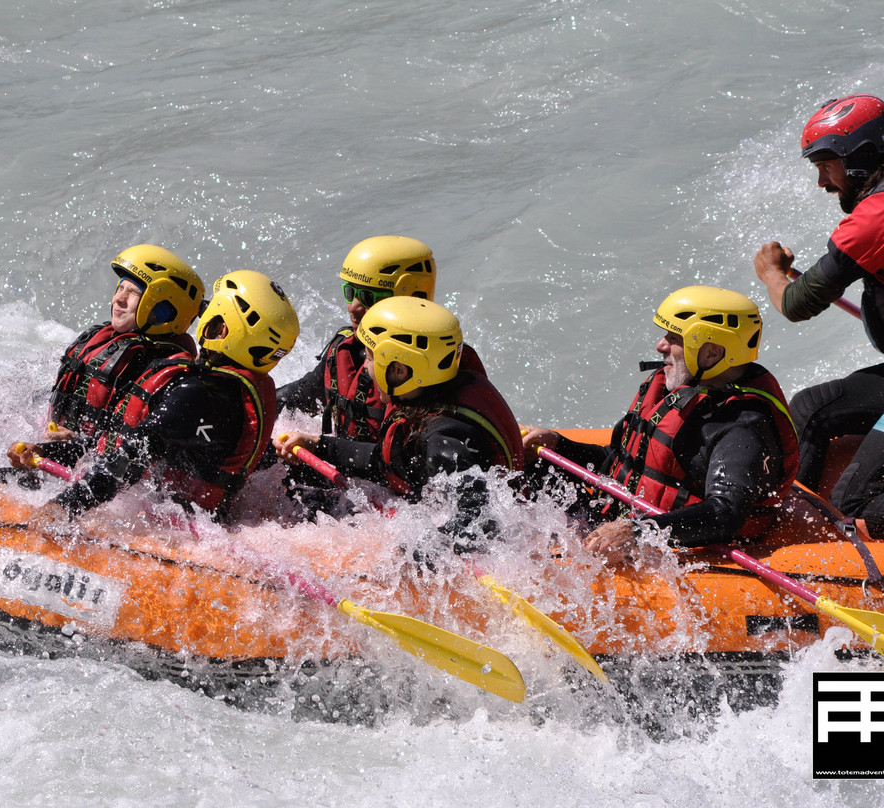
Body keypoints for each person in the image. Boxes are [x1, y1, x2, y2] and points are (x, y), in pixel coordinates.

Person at [521, 286, 799, 566]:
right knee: (528, 467)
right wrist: (560, 445)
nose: (660, 346)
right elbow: (623, 462)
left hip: (681, 545)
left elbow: (724, 514)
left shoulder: (742, 424)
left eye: (673, 337)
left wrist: (636, 532)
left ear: (712, 352)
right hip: (625, 515)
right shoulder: (677, 386)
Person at [30, 269, 299, 526]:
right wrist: (52, 450)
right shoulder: (234, 392)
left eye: (208, 310)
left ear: (221, 331)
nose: (201, 317)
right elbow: (128, 444)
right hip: (206, 520)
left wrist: (64, 507)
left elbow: (130, 458)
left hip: (174, 528)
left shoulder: (197, 395)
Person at [274, 296, 524, 553]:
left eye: (370, 357)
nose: (365, 368)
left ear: (400, 371)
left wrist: (413, 555)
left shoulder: (440, 441)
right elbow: (387, 461)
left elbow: (482, 523)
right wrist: (320, 446)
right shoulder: (427, 398)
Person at [753, 94, 884, 497]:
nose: (823, 182)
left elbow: (797, 303)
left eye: (826, 166)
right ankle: (785, 520)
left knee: (855, 499)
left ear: (860, 155)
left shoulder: (873, 220)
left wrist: (771, 273)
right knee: (810, 409)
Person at [7, 244, 205, 473]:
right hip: (72, 456)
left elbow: (128, 457)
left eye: (133, 293)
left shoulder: (174, 380)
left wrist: (56, 449)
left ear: (165, 309)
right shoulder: (106, 341)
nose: (118, 299)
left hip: (106, 481)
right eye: (120, 288)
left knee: (0, 477)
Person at [277, 235, 484, 441]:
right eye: (350, 292)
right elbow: (295, 398)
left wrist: (321, 446)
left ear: (411, 298)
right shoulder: (345, 350)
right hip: (346, 463)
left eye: (368, 297)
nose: (353, 306)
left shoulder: (442, 363)